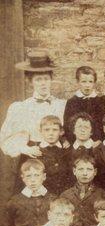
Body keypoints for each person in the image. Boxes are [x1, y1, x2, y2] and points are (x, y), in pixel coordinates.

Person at [0, 51, 66, 203]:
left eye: (46, 79)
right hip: (32, 157)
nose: (43, 83)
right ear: (31, 82)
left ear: (51, 80)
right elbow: (5, 140)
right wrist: (26, 149)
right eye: (38, 80)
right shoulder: (20, 108)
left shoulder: (61, 105)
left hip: (57, 158)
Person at [60, 154, 105, 226]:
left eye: (89, 169)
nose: (85, 173)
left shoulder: (102, 195)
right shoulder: (65, 195)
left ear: (95, 172)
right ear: (74, 171)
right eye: (81, 169)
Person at [29, 115, 73, 194]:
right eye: (47, 130)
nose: (51, 133)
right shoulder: (35, 151)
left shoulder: (67, 149)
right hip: (44, 195)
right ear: (40, 131)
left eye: (55, 130)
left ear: (61, 132)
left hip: (65, 194)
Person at [64, 66, 98, 143]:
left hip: (95, 142)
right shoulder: (72, 102)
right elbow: (67, 124)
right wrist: (72, 140)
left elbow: (100, 123)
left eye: (90, 82)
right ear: (78, 82)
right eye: (84, 81)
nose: (87, 85)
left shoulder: (99, 101)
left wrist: (97, 140)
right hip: (76, 142)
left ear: (94, 83)